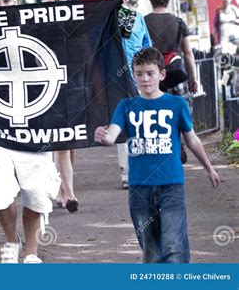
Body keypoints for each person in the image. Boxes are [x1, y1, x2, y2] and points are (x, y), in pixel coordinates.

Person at [94, 48, 220, 263]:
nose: (144, 78)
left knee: (174, 245)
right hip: (139, 186)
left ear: (162, 74)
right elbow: (113, 134)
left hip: (171, 184)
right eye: (139, 73)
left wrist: (209, 167)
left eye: (150, 73)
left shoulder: (176, 104)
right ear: (133, 75)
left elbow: (191, 139)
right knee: (151, 250)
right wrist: (104, 136)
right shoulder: (126, 106)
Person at [0, 0, 61, 264]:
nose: (1, 6)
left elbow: (72, 35)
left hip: (35, 126)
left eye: (7, 1)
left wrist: (110, 12)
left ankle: (32, 253)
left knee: (36, 191)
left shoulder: (35, 27)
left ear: (16, 1)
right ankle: (11, 242)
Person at [145, 0, 198, 164]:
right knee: (179, 112)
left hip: (152, 76)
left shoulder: (143, 22)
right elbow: (188, 52)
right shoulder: (179, 22)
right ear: (167, 0)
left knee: (156, 114)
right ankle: (180, 141)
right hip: (176, 74)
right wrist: (193, 78)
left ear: (151, 0)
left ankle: (163, 151)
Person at [109, 0, 152, 189]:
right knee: (121, 123)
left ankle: (142, 168)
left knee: (140, 122)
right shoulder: (104, 20)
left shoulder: (138, 18)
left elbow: (147, 45)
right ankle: (126, 172)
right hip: (114, 77)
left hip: (137, 76)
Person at [41, 0, 78, 213]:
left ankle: (69, 193)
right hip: (40, 96)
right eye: (43, 5)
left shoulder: (69, 31)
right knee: (49, 148)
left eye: (51, 5)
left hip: (64, 93)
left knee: (64, 146)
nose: (46, 9)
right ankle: (58, 192)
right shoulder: (34, 31)